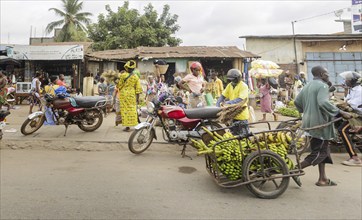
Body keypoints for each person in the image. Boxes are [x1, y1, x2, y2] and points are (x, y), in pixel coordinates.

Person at [294, 65, 352, 187]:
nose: (328, 75)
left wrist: (309, 111)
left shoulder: (308, 85)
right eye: (326, 73)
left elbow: (297, 102)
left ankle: (323, 179)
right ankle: (294, 170)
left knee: (324, 149)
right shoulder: (322, 86)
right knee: (319, 152)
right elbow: (323, 102)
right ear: (321, 74)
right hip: (320, 123)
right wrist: (340, 112)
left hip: (309, 122)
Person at [337, 71, 362, 166]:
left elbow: (351, 104)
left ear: (353, 81)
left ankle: (354, 158)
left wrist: (340, 104)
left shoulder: (359, 90)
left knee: (342, 130)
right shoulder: (352, 89)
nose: (345, 81)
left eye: (347, 80)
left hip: (358, 116)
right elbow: (346, 100)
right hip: (353, 113)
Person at [216, 69, 249, 136]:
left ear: (238, 78)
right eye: (231, 80)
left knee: (244, 135)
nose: (232, 81)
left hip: (241, 114)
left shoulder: (243, 86)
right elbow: (223, 95)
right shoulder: (230, 85)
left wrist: (228, 103)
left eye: (234, 80)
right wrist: (217, 104)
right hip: (232, 115)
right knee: (233, 135)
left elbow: (240, 99)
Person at [117, 60, 143, 132]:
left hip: (123, 95)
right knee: (132, 110)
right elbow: (138, 88)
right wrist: (138, 98)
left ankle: (127, 127)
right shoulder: (136, 77)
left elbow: (119, 85)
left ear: (126, 67)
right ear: (134, 68)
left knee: (125, 110)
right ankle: (135, 124)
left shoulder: (122, 75)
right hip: (132, 94)